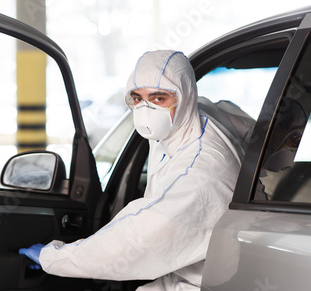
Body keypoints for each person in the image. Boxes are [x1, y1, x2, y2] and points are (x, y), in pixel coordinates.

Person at [20, 50, 243, 290]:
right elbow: (246, 124)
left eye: (159, 99)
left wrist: (54, 258)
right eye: (137, 98)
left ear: (186, 96)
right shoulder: (190, 119)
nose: (146, 110)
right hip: (191, 272)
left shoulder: (198, 173)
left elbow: (135, 239)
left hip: (204, 283)